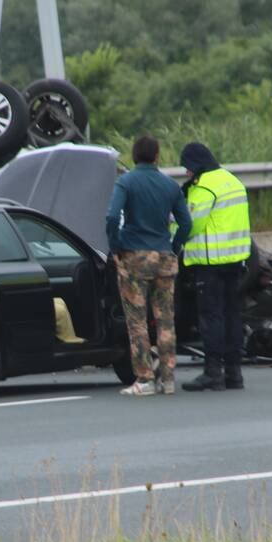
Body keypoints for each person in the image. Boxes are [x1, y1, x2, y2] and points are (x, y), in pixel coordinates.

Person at [106, 135, 192, 396]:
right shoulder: (170, 185)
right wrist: (174, 246)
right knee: (166, 320)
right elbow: (186, 223)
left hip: (135, 258)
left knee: (137, 322)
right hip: (164, 257)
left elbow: (112, 216)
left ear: (134, 156)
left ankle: (145, 379)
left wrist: (116, 246)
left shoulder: (126, 182)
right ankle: (168, 379)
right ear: (156, 156)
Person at [178, 142, 251, 392]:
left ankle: (213, 373)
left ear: (196, 164)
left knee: (211, 318)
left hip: (210, 263)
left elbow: (191, 225)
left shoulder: (204, 186)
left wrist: (172, 232)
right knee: (232, 315)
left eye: (187, 167)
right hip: (235, 260)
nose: (187, 172)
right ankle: (234, 374)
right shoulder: (232, 181)